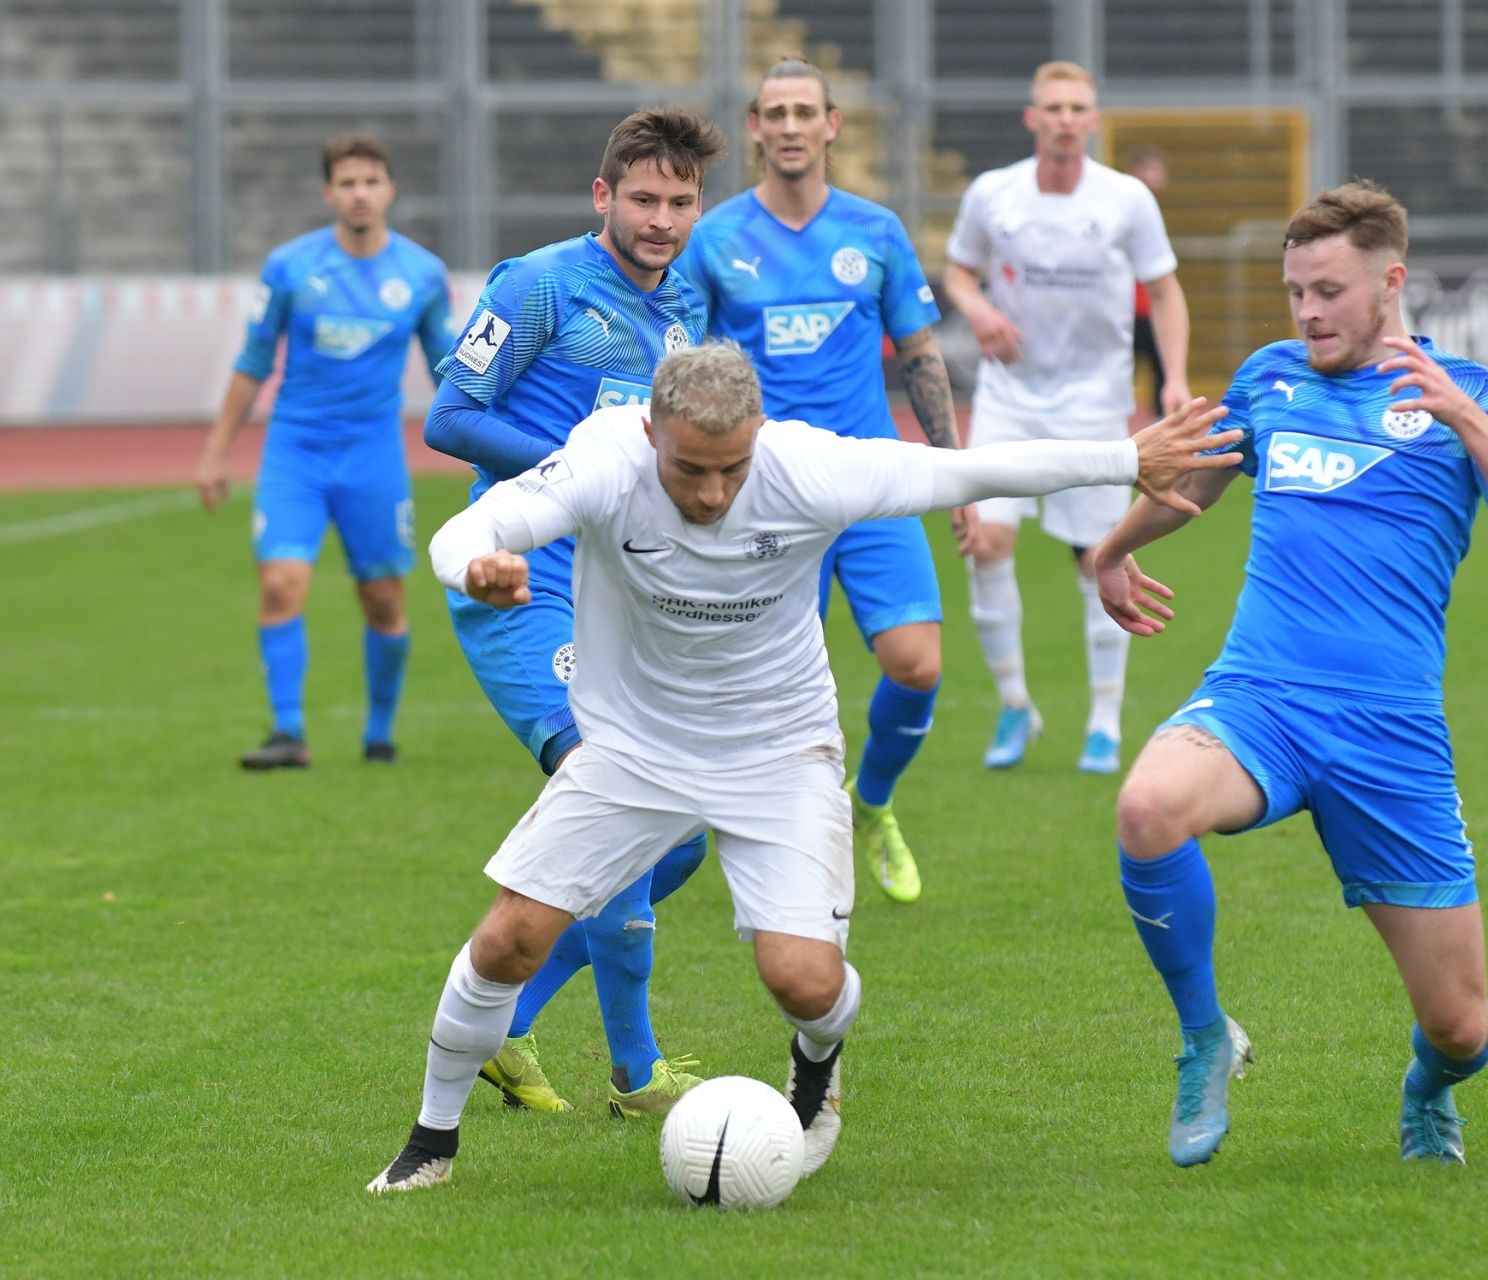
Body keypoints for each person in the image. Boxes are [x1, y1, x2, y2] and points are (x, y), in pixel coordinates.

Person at [365, 340, 1244, 1194]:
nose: (712, 492)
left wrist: (1124, 456)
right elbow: (476, 523)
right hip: (633, 750)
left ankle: (816, 1068)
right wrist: (472, 566)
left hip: (780, 752)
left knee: (805, 983)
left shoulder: (808, 468)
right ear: (650, 437)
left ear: (759, 436)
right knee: (507, 939)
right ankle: (429, 1144)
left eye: (732, 469)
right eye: (690, 470)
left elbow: (969, 472)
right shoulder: (605, 457)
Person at [1090, 181, 1488, 1169]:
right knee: (1146, 807)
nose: (1308, 313)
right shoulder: (1272, 378)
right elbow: (1193, 483)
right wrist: (1110, 550)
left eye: (1328, 291)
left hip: (1389, 732)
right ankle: (1203, 1037)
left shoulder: (1470, 394)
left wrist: (1462, 419)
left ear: (1390, 282)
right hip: (1262, 698)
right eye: (1295, 293)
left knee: (1460, 1026)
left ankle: (1428, 1088)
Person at [420, 108, 721, 1120]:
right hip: (519, 578)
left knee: (680, 837)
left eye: (681, 202)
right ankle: (636, 1073)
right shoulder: (537, 283)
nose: (662, 219)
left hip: (616, 593)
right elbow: (450, 416)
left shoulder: (686, 305)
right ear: (604, 196)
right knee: (621, 791)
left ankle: (508, 1020)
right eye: (644, 198)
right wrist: (571, 475)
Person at [677, 56, 970, 905]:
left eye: (807, 111)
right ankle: (780, 853)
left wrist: (951, 476)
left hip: (870, 482)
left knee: (917, 665)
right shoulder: (717, 238)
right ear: (757, 128)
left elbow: (919, 354)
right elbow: (687, 368)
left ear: (832, 125)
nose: (793, 125)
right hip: (764, 494)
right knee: (767, 691)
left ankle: (871, 804)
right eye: (777, 112)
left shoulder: (875, 231)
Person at [943, 60, 1193, 776]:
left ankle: (1105, 722)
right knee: (985, 542)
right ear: (1032, 118)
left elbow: (1166, 293)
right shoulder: (994, 193)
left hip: (1092, 400)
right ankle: (1016, 706)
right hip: (1009, 398)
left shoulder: (1126, 200)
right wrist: (980, 307)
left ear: (1093, 120)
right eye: (1051, 106)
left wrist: (1173, 378)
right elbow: (959, 269)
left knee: (1098, 558)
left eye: (1076, 106)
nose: (1063, 117)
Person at [195, 134, 454, 769]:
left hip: (372, 455)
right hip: (296, 452)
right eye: (347, 183)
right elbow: (255, 360)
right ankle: (288, 734)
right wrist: (215, 452)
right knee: (281, 583)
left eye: (371, 181)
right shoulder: (289, 267)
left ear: (389, 190)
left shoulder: (421, 275)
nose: (359, 193)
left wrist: (490, 440)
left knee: (384, 599)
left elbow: (450, 367)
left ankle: (379, 734)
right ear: (327, 194)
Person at [1127, 148, 1172, 411]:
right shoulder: (1125, 213)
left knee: (1163, 371)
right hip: (1127, 310)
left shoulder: (1155, 217)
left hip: (1152, 310)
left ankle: (1160, 419)